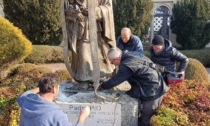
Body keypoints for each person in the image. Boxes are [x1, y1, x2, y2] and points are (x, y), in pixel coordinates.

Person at [100, 48, 169, 126]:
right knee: (143, 114)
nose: (112, 63)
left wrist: (102, 86)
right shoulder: (132, 54)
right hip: (156, 83)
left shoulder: (126, 65)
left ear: (117, 59)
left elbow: (115, 81)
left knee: (146, 117)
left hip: (153, 90)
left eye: (112, 61)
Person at [62, 0, 116, 84]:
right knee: (83, 54)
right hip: (81, 29)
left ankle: (102, 77)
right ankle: (84, 79)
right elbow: (66, 7)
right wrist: (75, 13)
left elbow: (108, 7)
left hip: (97, 30)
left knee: (100, 54)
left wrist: (93, 11)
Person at [17, 73, 90, 126]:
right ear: (53, 89)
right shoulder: (56, 114)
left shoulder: (26, 100)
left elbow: (23, 95)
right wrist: (82, 117)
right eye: (58, 87)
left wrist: (41, 87)